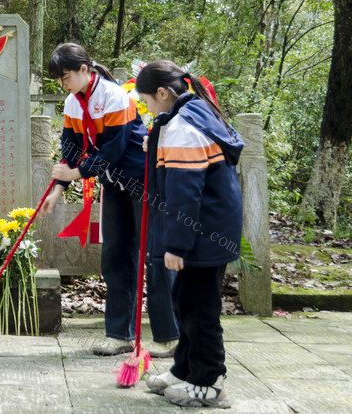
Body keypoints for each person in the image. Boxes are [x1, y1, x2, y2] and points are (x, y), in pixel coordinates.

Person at [44, 43, 179, 358]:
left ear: (84, 70)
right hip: (113, 184)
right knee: (116, 257)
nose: (63, 84)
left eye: (66, 77)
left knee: (155, 257)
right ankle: (120, 334)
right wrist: (57, 187)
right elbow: (71, 148)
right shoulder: (73, 103)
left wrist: (76, 174)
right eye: (60, 79)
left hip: (141, 180)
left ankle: (170, 336)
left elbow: (114, 150)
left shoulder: (114, 96)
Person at [136, 60, 243, 408]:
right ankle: (184, 369)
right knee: (186, 301)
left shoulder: (185, 126)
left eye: (148, 101)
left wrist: (177, 245)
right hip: (212, 228)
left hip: (202, 232)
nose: (148, 108)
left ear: (164, 93)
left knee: (200, 309)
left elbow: (185, 191)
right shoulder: (194, 113)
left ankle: (209, 382)